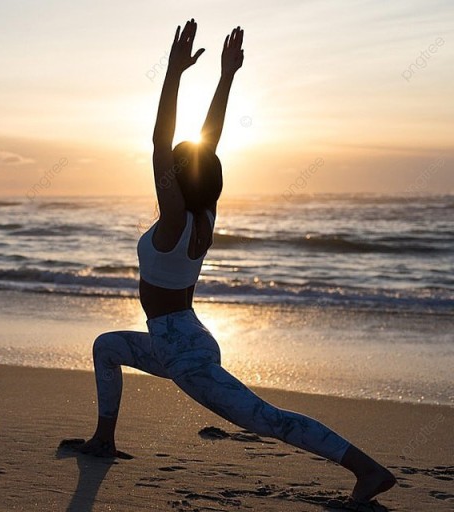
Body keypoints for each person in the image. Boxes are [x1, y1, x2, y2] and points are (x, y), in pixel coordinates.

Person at [63, 19, 396, 509]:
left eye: (171, 172)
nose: (163, 176)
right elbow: (208, 144)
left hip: (184, 353)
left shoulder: (176, 221)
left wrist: (174, 74)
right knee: (107, 346)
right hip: (178, 338)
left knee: (266, 419)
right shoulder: (203, 215)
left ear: (176, 181)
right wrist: (225, 76)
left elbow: (162, 141)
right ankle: (104, 439)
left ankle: (368, 470)